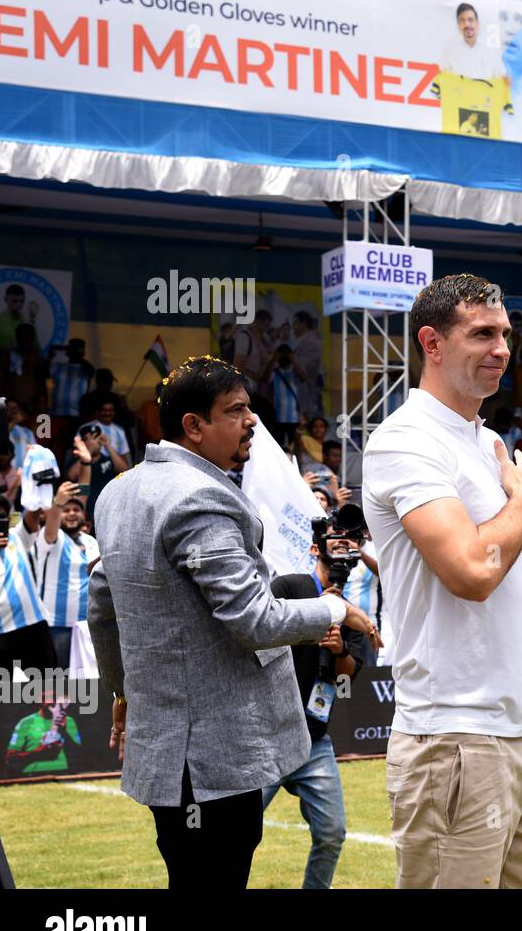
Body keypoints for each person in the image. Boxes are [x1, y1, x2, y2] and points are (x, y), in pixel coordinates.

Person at [87, 356, 379, 889]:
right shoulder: (201, 497)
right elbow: (254, 619)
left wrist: (124, 692)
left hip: (167, 753)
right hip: (215, 759)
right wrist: (335, 609)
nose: (252, 422)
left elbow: (102, 606)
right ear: (193, 427)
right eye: (237, 410)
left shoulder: (117, 493)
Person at [360, 274, 522, 889]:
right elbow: (472, 573)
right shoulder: (404, 442)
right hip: (453, 740)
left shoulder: (489, 443)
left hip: (518, 739)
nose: (502, 349)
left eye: (506, 334)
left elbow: (507, 609)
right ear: (431, 343)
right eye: (482, 333)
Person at [264, 512, 372, 889]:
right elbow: (258, 631)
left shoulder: (355, 615)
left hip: (315, 739)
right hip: (269, 736)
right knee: (235, 835)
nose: (343, 542)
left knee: (331, 833)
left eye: (350, 538)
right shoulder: (289, 586)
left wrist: (341, 645)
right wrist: (315, 615)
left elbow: (346, 676)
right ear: (315, 548)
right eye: (335, 537)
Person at [34, 480, 97, 669]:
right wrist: (57, 503)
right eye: (66, 510)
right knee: (59, 685)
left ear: (83, 516)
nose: (71, 514)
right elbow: (52, 524)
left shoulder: (91, 541)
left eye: (76, 510)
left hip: (87, 626)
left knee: (89, 688)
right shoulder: (51, 537)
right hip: (56, 625)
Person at [0, 494, 55, 672]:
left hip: (32, 624)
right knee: (0, 696)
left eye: (1, 515)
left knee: (49, 689)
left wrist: (36, 484)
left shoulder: (18, 535)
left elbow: (34, 511)